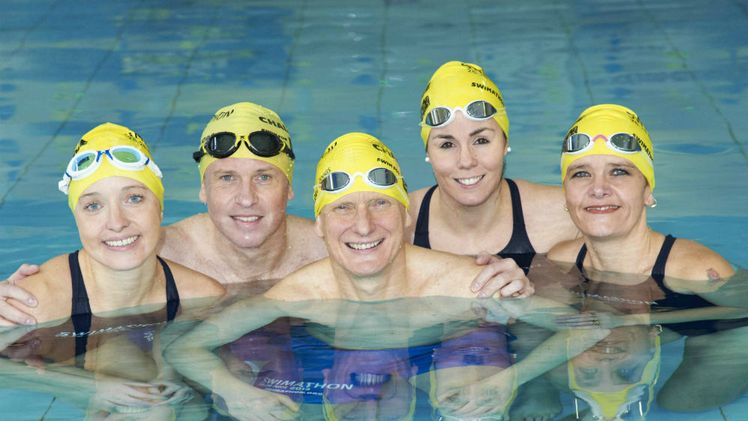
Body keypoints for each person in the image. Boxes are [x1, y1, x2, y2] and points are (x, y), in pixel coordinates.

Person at [165, 132, 607, 421]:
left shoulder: (463, 280)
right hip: (329, 362)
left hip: (450, 345)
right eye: (343, 208)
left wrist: (512, 379)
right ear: (319, 225)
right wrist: (231, 391)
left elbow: (591, 329)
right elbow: (184, 346)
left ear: (406, 215)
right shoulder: (299, 293)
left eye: (379, 205)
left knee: (472, 419)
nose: (362, 226)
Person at [0, 102, 533, 325]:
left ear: (292, 191)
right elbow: (93, 259)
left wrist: (508, 277)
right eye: (226, 179)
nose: (246, 198)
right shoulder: (155, 247)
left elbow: (415, 266)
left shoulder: (336, 240)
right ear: (201, 191)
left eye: (264, 178)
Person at [546, 103, 748, 414]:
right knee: (557, 376)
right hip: (668, 319)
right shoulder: (562, 260)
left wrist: (644, 319)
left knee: (682, 403)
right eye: (581, 173)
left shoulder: (694, 268)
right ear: (566, 196)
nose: (598, 189)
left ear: (647, 191)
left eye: (619, 172)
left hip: (739, 322)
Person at [0, 122, 223, 421]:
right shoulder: (36, 300)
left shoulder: (202, 295)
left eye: (134, 198)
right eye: (93, 206)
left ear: (159, 207)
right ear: (76, 218)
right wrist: (88, 386)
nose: (116, 222)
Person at [410, 60, 580, 270]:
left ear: (505, 142)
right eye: (446, 144)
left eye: (481, 141)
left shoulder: (567, 215)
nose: (466, 161)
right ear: (428, 152)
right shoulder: (398, 225)